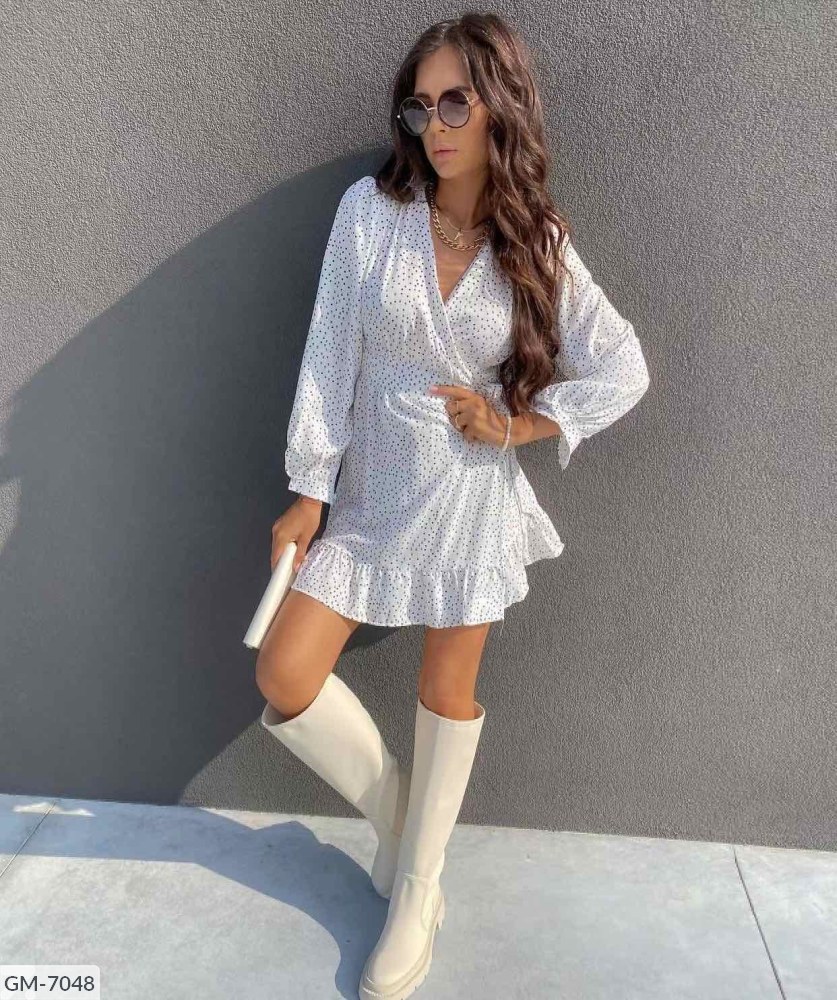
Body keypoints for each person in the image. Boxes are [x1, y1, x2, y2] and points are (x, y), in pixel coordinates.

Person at [254, 12, 650, 999]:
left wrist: (522, 425)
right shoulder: (369, 212)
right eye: (419, 106)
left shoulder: (536, 241)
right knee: (286, 671)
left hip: (469, 498)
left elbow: (623, 365)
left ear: (499, 105)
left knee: (446, 689)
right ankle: (401, 824)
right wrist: (309, 489)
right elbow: (329, 353)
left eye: (456, 103)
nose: (434, 125)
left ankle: (419, 887)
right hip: (369, 495)